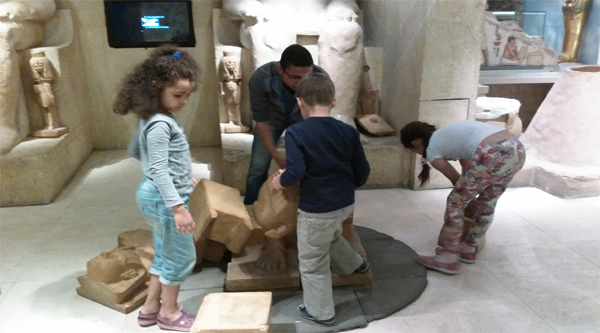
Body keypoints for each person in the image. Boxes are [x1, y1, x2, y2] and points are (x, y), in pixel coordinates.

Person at [272, 72, 370, 326]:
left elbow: (296, 171)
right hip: (344, 202)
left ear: (300, 102)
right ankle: (355, 265)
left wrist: (279, 180)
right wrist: (347, 186)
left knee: (313, 262)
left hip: (316, 208)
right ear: (334, 101)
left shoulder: (296, 132)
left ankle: (321, 313)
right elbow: (363, 171)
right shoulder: (348, 132)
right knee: (331, 234)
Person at [113, 45, 199, 332]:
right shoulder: (161, 124)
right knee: (181, 256)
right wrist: (178, 207)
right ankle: (170, 314)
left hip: (152, 193)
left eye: (188, 95)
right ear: (155, 87)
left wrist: (181, 174)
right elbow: (160, 169)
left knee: (163, 252)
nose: (184, 101)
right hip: (165, 201)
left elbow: (136, 150)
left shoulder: (148, 117)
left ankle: (150, 308)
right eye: (178, 94)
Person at [400, 120, 526, 275]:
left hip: (493, 152)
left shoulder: (432, 148)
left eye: (414, 150)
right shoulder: (450, 134)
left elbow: (455, 179)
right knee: (487, 202)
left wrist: (467, 200)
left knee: (454, 202)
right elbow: (467, 169)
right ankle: (468, 248)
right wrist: (470, 197)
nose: (418, 154)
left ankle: (448, 258)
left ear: (416, 142)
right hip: (517, 149)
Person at [243, 44, 327, 205]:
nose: (302, 83)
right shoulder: (261, 78)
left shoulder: (320, 78)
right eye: (296, 77)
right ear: (280, 69)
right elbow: (261, 120)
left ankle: (306, 206)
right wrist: (276, 155)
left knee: (311, 163)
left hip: (303, 117)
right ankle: (251, 209)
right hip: (272, 118)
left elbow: (317, 120)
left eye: (306, 77)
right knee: (258, 166)